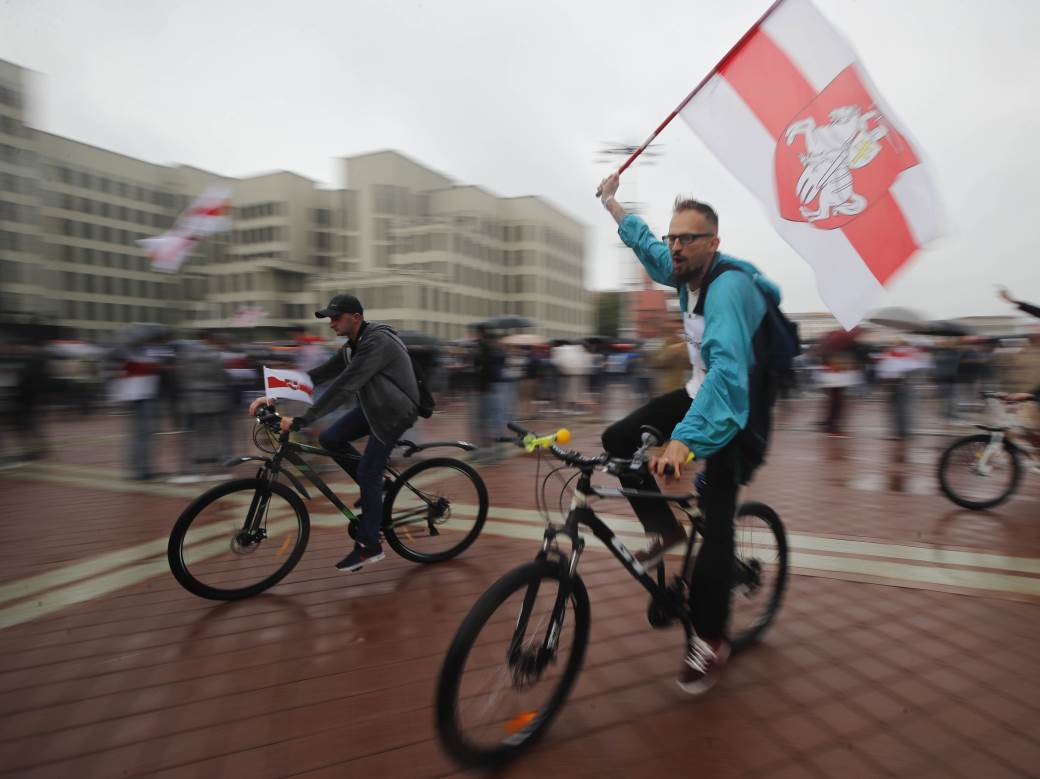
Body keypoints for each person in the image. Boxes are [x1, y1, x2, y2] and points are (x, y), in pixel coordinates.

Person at [596, 171, 783, 695]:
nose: (675, 247)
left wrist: (684, 441)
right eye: (673, 236)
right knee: (617, 442)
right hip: (701, 394)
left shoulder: (728, 289)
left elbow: (726, 377)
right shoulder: (683, 270)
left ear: (714, 243)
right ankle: (665, 529)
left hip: (737, 408)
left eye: (687, 239)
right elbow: (652, 252)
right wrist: (614, 206)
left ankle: (711, 638)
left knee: (718, 519)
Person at [248, 294, 420, 572]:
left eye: (335, 318)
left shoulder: (376, 341)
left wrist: (302, 420)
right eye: (329, 318)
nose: (331, 323)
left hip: (395, 412)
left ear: (356, 318)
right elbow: (317, 375)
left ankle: (369, 547)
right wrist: (272, 396)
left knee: (367, 472)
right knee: (330, 439)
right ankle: (380, 485)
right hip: (375, 407)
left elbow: (345, 386)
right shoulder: (353, 345)